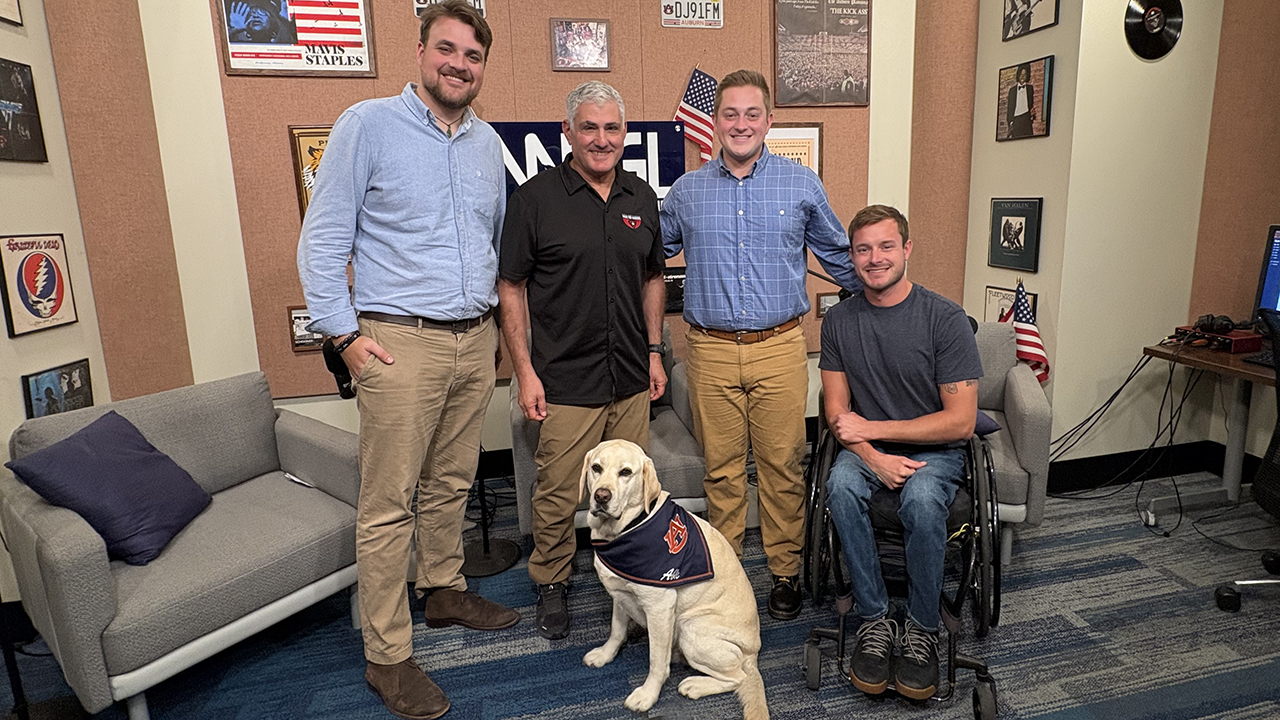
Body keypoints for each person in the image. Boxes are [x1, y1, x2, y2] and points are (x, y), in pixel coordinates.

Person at [296, 3, 517, 718]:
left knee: (452, 480)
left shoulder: (487, 144)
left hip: (472, 337)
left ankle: (445, 590)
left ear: (483, 65)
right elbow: (322, 239)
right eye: (446, 49)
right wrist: (344, 336)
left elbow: (491, 243)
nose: (459, 64)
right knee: (388, 505)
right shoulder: (367, 125)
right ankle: (388, 656)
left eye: (472, 55)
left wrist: (500, 341)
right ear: (420, 51)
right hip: (399, 341)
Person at [660, 69, 859, 620]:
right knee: (720, 470)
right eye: (730, 114)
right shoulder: (687, 191)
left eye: (752, 114)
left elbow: (839, 255)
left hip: (779, 347)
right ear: (716, 122)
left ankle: (784, 574)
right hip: (710, 349)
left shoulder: (801, 185)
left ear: (769, 121)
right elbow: (644, 255)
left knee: (781, 465)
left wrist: (891, 298)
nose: (741, 124)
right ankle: (720, 577)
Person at [499, 80, 667, 640]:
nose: (601, 139)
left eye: (612, 127)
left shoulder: (641, 199)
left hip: (629, 377)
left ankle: (632, 578)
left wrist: (654, 352)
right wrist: (523, 371)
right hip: (564, 379)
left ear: (625, 133)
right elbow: (512, 288)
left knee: (630, 489)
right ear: (566, 132)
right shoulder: (534, 200)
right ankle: (552, 581)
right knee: (556, 489)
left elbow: (652, 277)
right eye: (589, 127)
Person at [819, 204, 982, 700]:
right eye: (863, 249)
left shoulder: (945, 319)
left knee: (920, 499)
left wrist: (876, 429)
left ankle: (922, 628)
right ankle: (873, 618)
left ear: (907, 249)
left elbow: (961, 420)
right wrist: (872, 455)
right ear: (851, 256)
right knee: (840, 484)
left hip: (937, 449)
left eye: (886, 246)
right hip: (868, 448)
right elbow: (837, 414)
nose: (875, 258)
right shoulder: (839, 322)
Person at [225, 0, 297, 45]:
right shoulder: (283, 10)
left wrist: (235, 28)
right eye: (260, 20)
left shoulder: (234, 9)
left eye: (253, 22)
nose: (255, 16)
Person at [1006, 64, 1035, 139]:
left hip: (1026, 119)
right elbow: (1010, 108)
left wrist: (1031, 116)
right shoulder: (1012, 91)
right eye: (1021, 74)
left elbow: (1031, 104)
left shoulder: (1030, 89)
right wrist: (1011, 122)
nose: (1022, 77)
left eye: (1025, 75)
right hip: (1016, 120)